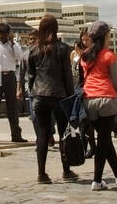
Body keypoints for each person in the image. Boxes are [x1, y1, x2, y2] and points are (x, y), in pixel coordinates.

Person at [26, 16, 78, 184]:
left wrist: (33, 93)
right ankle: (66, 170)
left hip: (40, 96)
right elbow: (67, 76)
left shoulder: (33, 51)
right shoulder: (63, 49)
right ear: (55, 29)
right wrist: (71, 97)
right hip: (59, 95)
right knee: (63, 133)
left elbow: (31, 76)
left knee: (42, 134)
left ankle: (41, 173)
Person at [80, 21, 117, 190]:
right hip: (106, 99)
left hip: (89, 100)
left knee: (105, 139)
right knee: (103, 141)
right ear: (106, 36)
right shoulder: (109, 56)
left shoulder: (85, 56)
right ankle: (97, 180)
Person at [0, 24, 28, 145]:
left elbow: (20, 58)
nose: (3, 37)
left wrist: (13, 44)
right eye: (1, 34)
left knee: (12, 106)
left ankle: (16, 134)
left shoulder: (13, 44)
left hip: (10, 74)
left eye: (5, 35)